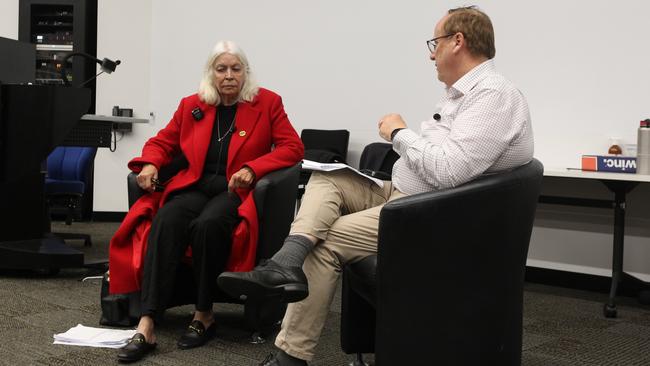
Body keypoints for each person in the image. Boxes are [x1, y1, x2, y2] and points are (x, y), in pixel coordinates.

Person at [217, 6, 534, 366]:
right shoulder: (460, 95)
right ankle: (286, 261)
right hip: (408, 192)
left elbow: (448, 171)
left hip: (431, 213)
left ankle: (291, 356)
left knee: (327, 242)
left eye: (436, 43)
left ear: (457, 42)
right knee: (328, 179)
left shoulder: (492, 96)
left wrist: (399, 134)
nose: (432, 53)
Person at [108, 40, 304, 363]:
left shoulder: (267, 103)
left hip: (233, 191)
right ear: (211, 73)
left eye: (235, 69)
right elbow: (164, 141)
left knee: (208, 225)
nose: (229, 75)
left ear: (245, 73)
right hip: (196, 185)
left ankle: (203, 314)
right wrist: (151, 163)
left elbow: (292, 148)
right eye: (221, 68)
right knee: (167, 220)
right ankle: (147, 321)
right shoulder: (193, 105)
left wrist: (252, 168)